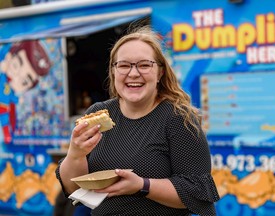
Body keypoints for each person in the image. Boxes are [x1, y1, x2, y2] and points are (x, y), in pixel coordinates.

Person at [55, 25, 220, 216]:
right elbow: (72, 187)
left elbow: (198, 192)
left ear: (160, 73)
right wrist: (75, 154)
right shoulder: (98, 112)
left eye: (144, 65)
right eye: (124, 65)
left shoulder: (178, 118)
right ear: (113, 71)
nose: (133, 74)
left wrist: (142, 185)